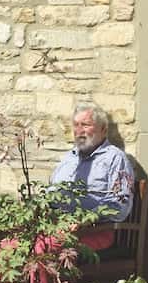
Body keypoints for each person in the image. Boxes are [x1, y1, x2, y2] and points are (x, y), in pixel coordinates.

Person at [51, 102, 135, 250]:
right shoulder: (68, 159)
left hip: (95, 231)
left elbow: (120, 204)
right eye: (76, 125)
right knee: (8, 247)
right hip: (58, 229)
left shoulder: (114, 158)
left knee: (45, 250)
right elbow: (51, 192)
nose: (79, 131)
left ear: (103, 129)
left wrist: (85, 220)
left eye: (85, 125)